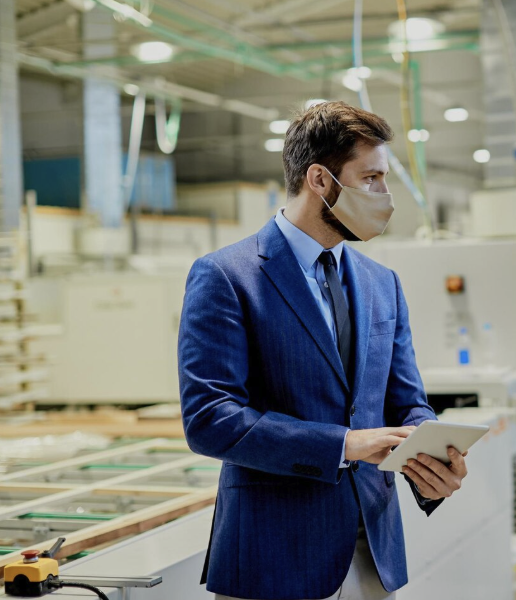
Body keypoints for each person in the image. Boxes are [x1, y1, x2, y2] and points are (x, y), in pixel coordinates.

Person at [178, 101, 468, 600]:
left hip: (372, 552)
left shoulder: (382, 283)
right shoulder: (227, 276)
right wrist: (342, 444)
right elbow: (210, 418)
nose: (384, 195)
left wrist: (429, 460)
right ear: (319, 180)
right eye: (371, 178)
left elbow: (406, 400)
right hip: (275, 557)